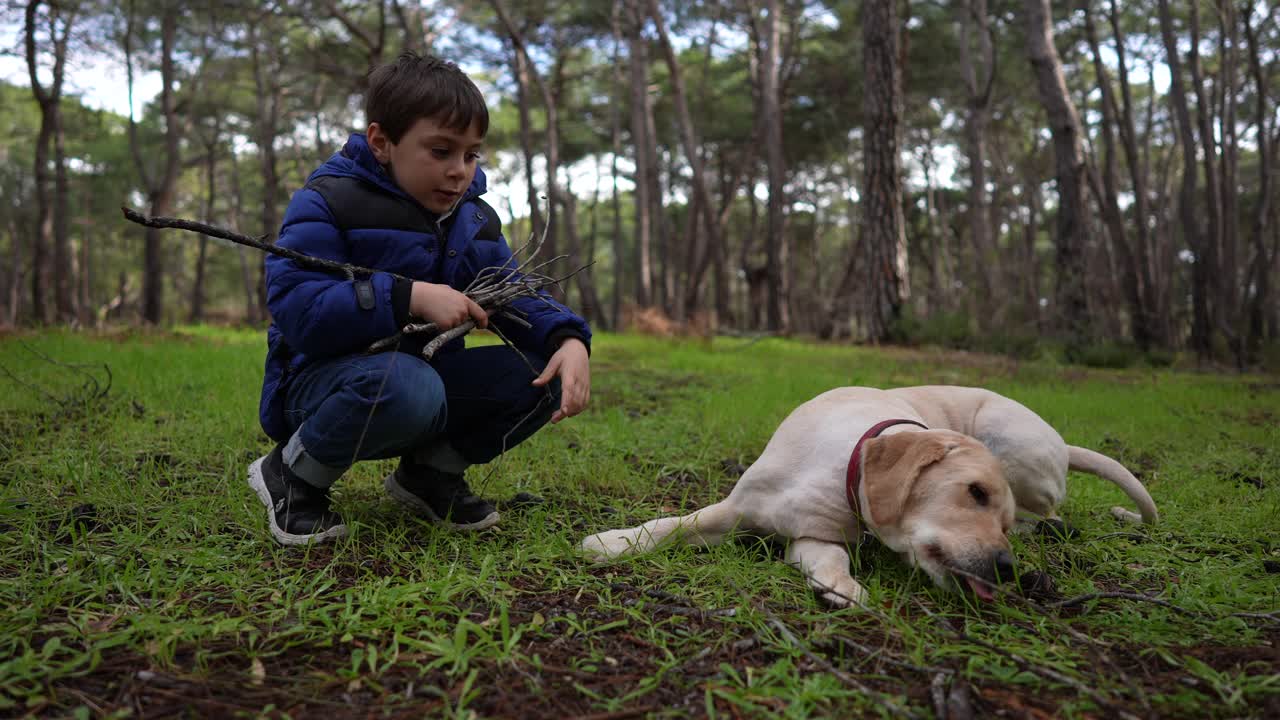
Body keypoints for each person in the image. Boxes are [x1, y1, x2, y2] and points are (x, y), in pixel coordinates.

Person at [247, 52, 591, 546]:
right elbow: (301, 310)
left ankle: (430, 475)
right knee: (407, 382)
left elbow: (514, 292)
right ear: (382, 142)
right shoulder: (328, 202)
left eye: (472, 155)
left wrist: (567, 337)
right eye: (441, 151)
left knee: (543, 370)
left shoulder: (470, 218)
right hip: (319, 387)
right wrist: (405, 296)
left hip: (422, 385)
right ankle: (293, 474)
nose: (460, 172)